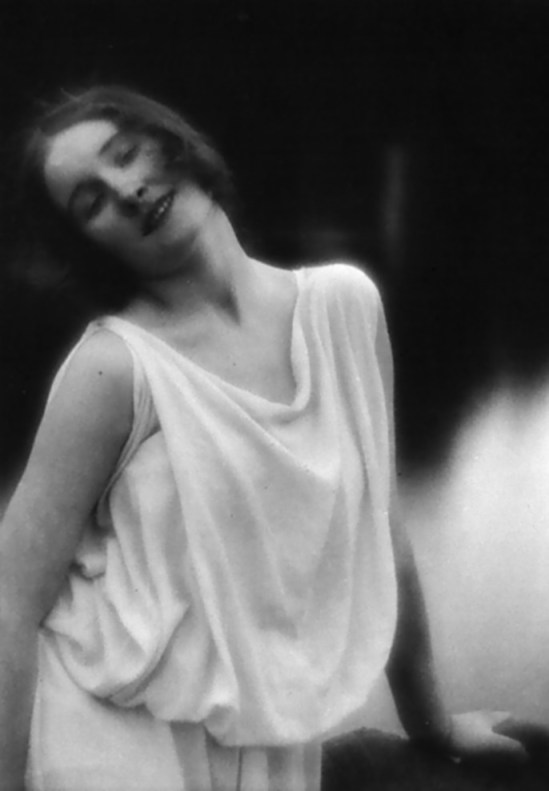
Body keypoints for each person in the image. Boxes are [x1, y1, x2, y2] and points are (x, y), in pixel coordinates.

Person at [0, 85, 530, 791]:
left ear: (174, 144)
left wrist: (431, 725)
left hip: (263, 733)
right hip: (106, 729)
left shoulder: (342, 307)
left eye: (126, 154)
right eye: (90, 202)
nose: (127, 190)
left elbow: (383, 535)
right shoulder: (114, 369)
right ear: (87, 243)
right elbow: (13, 599)